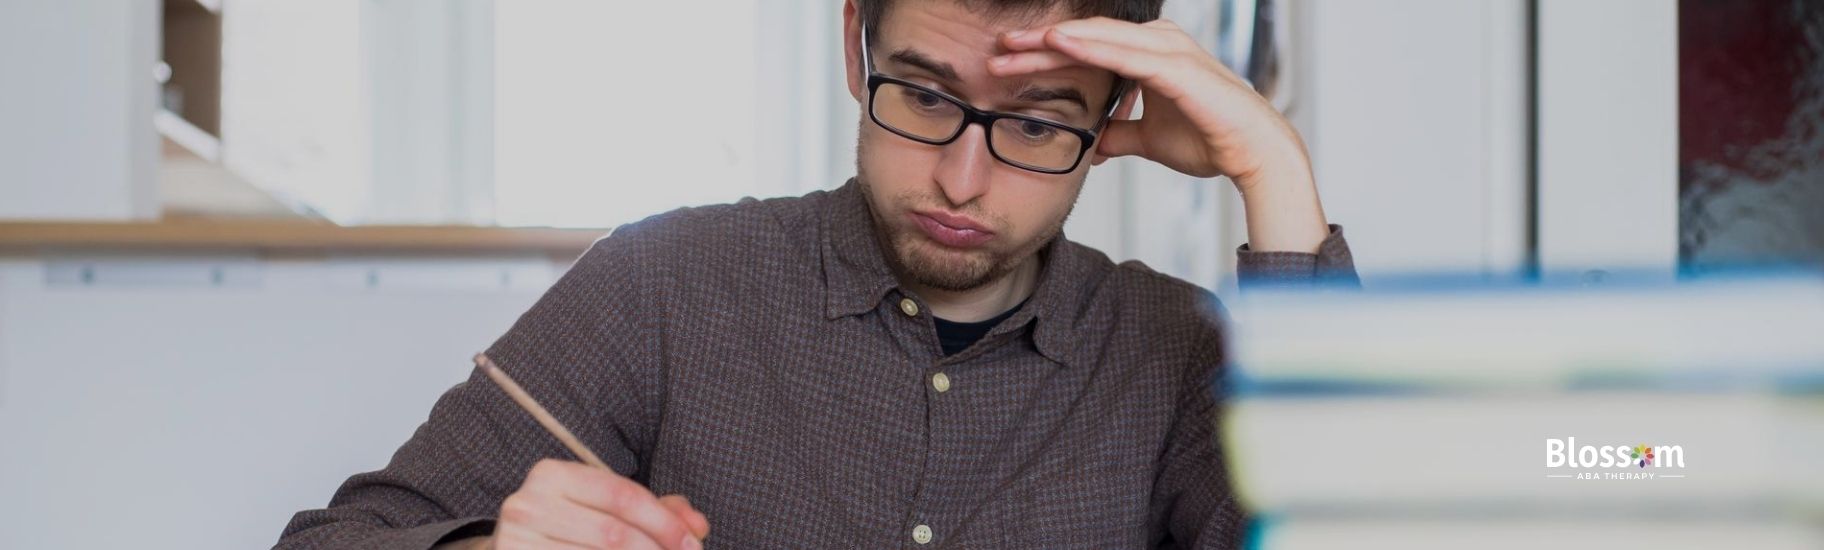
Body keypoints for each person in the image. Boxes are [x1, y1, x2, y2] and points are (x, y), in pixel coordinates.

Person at [276, 0, 1357, 548]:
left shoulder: (1173, 350)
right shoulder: (666, 283)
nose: (963, 178)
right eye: (925, 96)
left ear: (1113, 115)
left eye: (1034, 123)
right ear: (855, 44)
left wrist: (1276, 176)